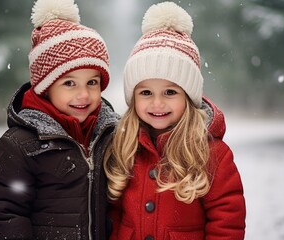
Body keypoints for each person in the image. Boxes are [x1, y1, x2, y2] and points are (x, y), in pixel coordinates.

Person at [104, 2, 246, 240]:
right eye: (146, 93)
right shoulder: (124, 147)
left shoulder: (212, 154)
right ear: (133, 99)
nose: (157, 103)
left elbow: (227, 221)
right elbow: (114, 216)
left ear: (189, 97)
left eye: (170, 92)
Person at [0, 0, 119, 239]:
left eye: (92, 82)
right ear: (45, 87)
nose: (84, 94)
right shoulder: (22, 144)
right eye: (69, 83)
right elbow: (7, 213)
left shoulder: (109, 135)